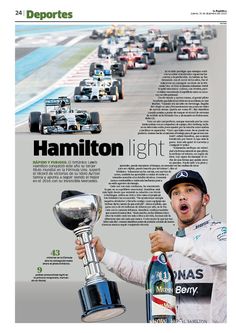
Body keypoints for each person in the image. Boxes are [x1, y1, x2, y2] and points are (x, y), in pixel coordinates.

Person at [75, 169, 227, 323]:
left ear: (205, 199)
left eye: (189, 190)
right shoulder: (173, 243)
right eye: (175, 193)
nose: (182, 196)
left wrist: (175, 244)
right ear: (172, 204)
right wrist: (104, 255)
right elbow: (145, 275)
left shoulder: (218, 231)